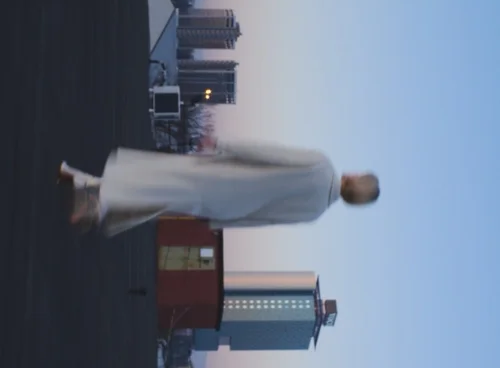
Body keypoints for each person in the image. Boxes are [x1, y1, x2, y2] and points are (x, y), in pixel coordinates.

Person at [58, 136, 380, 236]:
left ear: (355, 178)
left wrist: (225, 145)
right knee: (162, 196)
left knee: (160, 179)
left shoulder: (321, 166)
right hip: (228, 206)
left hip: (227, 176)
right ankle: (82, 181)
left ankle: (99, 202)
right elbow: (264, 220)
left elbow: (270, 153)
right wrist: (221, 222)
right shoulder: (315, 212)